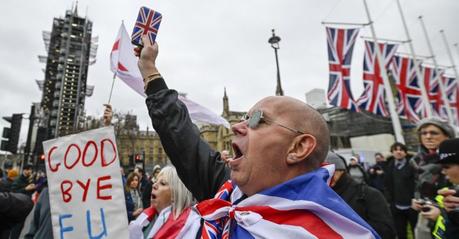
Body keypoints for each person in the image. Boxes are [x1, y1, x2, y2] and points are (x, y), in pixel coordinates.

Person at [137, 36, 379, 238]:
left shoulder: (331, 232)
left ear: (298, 147)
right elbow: (183, 139)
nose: (236, 127)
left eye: (257, 120)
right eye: (242, 117)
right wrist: (149, 69)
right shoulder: (228, 191)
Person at [326, 152, 396, 238]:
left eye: (328, 172)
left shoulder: (369, 194)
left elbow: (387, 230)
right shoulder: (321, 197)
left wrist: (348, 229)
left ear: (340, 171)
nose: (325, 177)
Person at [412, 117, 454, 238]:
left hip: (451, 219)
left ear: (447, 136)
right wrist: (416, 200)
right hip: (425, 216)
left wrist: (442, 213)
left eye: (434, 133)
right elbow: (419, 186)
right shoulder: (416, 161)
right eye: (424, 133)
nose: (428, 137)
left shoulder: (454, 161)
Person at [129, 166, 195, 239]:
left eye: (162, 183)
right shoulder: (145, 220)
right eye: (155, 181)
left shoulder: (190, 226)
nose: (154, 185)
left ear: (175, 194)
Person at [384, 142, 418, 239]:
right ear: (392, 152)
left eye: (401, 150)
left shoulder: (412, 165)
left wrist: (415, 199)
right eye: (396, 150)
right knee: (400, 232)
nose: (398, 152)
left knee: (415, 231)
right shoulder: (389, 167)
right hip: (396, 206)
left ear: (405, 153)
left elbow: (417, 184)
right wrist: (390, 202)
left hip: (412, 205)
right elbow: (386, 185)